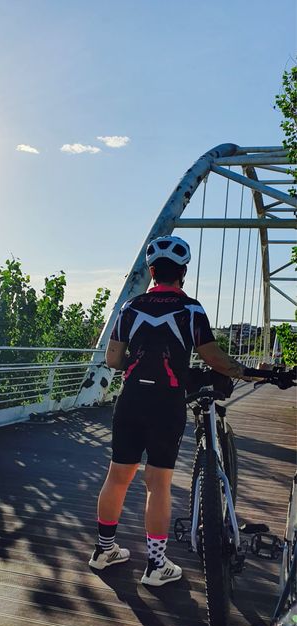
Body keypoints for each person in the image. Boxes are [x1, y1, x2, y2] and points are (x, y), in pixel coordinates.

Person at [89, 235, 248, 586]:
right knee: (156, 484)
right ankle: (156, 566)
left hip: (130, 399)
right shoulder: (191, 309)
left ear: (151, 271)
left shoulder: (130, 308)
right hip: (167, 402)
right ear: (183, 273)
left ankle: (104, 550)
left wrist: (139, 365)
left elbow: (113, 358)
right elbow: (212, 357)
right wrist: (241, 370)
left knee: (117, 476)